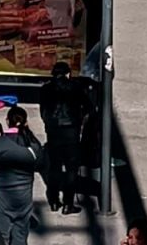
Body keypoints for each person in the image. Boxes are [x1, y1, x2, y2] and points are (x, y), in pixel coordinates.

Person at [0, 105, 43, 245]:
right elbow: (40, 165)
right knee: (20, 236)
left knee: (0, 236)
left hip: (2, 198)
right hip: (24, 199)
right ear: (26, 122)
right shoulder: (33, 145)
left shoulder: (0, 143)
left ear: (7, 121)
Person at [39, 61, 92, 215]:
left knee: (55, 166)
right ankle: (69, 203)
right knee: (71, 169)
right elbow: (88, 107)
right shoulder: (76, 87)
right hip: (71, 132)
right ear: (68, 73)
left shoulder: (45, 89)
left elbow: (43, 111)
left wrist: (49, 123)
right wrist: (80, 119)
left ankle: (54, 201)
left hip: (53, 131)